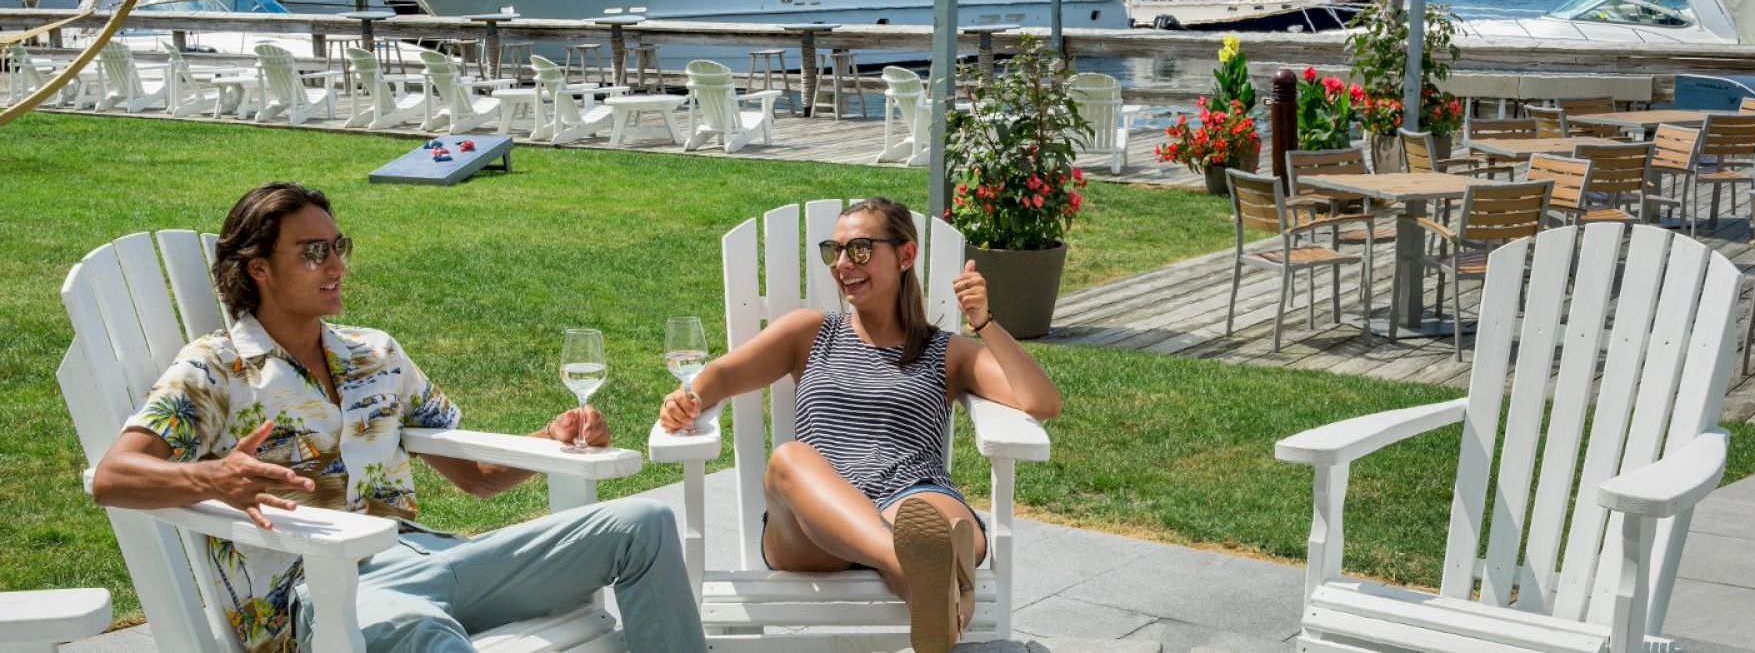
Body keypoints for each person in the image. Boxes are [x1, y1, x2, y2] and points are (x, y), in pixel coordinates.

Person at [91, 183, 704, 652]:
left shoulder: (375, 353)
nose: (335, 266)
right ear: (258, 268)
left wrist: (553, 436)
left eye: (338, 248)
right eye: (312, 253)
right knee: (422, 633)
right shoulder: (215, 368)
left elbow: (479, 476)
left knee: (643, 523)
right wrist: (212, 479)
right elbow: (114, 477)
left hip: (430, 558)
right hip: (322, 593)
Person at [657, 197, 1062, 653]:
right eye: (836, 251)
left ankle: (930, 587)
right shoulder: (811, 333)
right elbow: (726, 374)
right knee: (789, 459)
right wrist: (689, 397)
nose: (844, 264)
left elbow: (1040, 401)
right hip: (814, 524)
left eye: (862, 250)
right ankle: (925, 575)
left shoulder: (945, 351)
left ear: (905, 256)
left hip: (909, 496)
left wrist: (984, 322)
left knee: (935, 524)